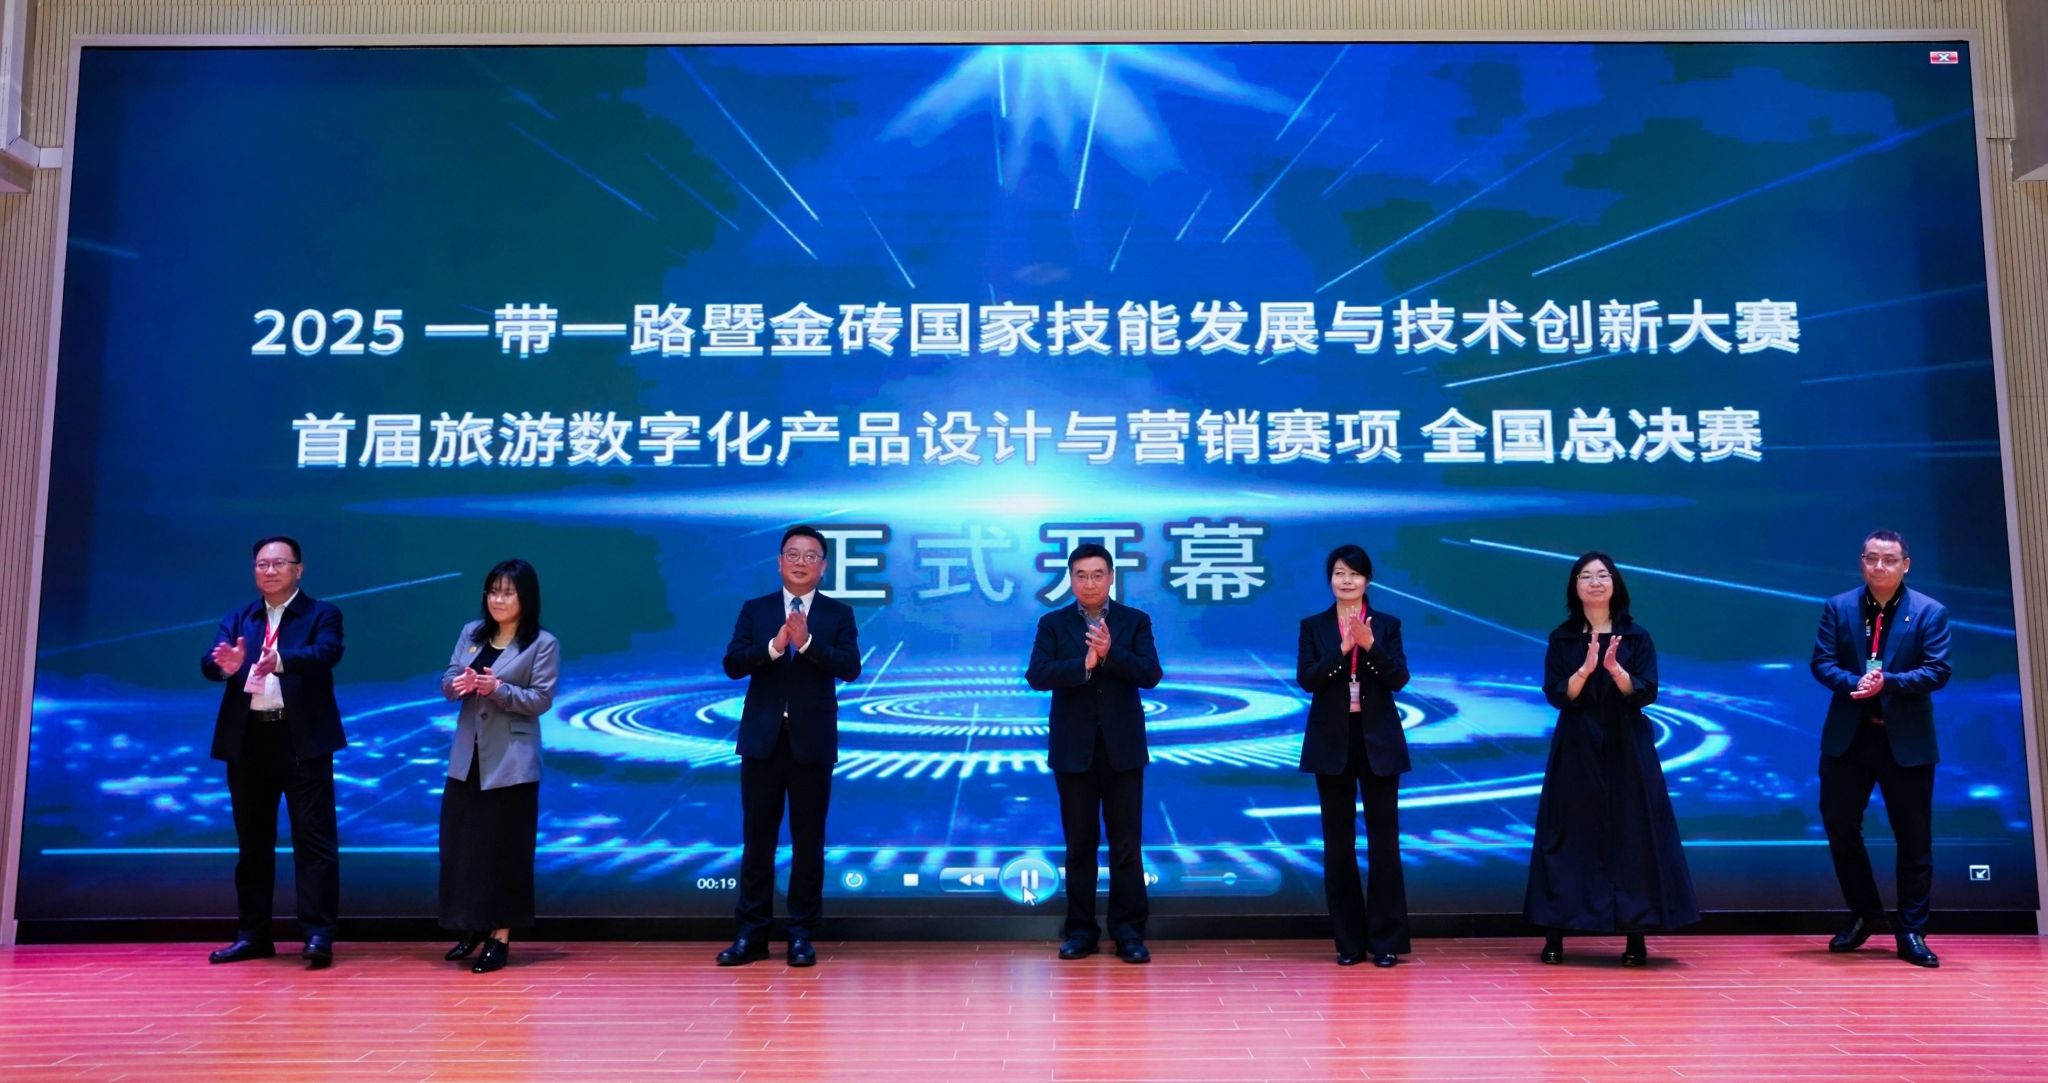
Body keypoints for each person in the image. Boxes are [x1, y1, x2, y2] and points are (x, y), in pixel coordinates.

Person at [1524, 552, 1698, 966]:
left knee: (1633, 834)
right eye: (1585, 576)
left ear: (1615, 584)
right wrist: (1585, 670)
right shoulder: (1562, 637)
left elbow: (1646, 692)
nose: (1595, 582)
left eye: (1603, 575)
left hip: (1627, 743)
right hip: (1577, 743)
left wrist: (1616, 670)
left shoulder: (1636, 637)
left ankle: (1636, 935)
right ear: (1575, 587)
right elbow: (1556, 694)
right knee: (1567, 833)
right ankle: (1555, 933)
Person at [717, 526, 862, 967]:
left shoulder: (838, 614)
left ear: (823, 566)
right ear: (780, 562)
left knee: (808, 841)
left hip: (812, 743)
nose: (801, 562)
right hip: (762, 742)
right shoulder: (756, 610)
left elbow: (850, 668)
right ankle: (751, 933)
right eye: (793, 554)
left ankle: (801, 934)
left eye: (811, 555)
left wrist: (809, 644)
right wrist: (776, 647)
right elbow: (733, 664)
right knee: (757, 841)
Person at [199, 536, 345, 968]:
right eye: (261, 564)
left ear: (299, 569)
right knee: (252, 843)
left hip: (301, 740)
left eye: (279, 563)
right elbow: (211, 661)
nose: (269, 571)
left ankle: (317, 935)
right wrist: (222, 666)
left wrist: (279, 660)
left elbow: (327, 653)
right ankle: (252, 934)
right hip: (248, 741)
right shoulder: (238, 617)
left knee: (313, 841)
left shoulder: (322, 614)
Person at [1812, 529, 1951, 968]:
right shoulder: (1839, 607)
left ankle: (1911, 930)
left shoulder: (1929, 612)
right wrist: (1854, 682)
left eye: (1889, 559)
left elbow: (1937, 670)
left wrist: (1887, 682)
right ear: (1862, 562)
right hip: (1850, 738)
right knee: (1839, 826)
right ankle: (1866, 913)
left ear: (1905, 564)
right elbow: (1822, 663)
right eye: (1871, 558)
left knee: (1914, 838)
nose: (1879, 566)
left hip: (1905, 740)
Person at [1026, 543, 1163, 964]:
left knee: (1126, 846)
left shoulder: (1134, 621)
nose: (1089, 583)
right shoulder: (1053, 624)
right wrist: (1084, 664)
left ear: (1111, 577)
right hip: (1074, 751)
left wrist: (1110, 654)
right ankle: (1080, 931)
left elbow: (1151, 674)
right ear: (1070, 579)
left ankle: (1129, 933)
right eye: (1081, 575)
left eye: (1098, 574)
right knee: (1080, 845)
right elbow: (1037, 675)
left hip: (1123, 750)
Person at [438, 559, 558, 974]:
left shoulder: (542, 643)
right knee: (462, 848)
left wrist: (498, 689)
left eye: (507, 592)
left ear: (526, 598)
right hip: (466, 758)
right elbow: (449, 677)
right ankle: (471, 925)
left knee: (504, 851)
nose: (498, 600)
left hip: (511, 761)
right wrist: (457, 685)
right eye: (493, 591)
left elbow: (541, 699)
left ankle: (499, 937)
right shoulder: (471, 633)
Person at [1295, 544, 1412, 968]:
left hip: (1378, 742)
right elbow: (1307, 679)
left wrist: (1370, 646)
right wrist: (1343, 649)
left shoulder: (1388, 624)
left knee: (1385, 844)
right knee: (1338, 845)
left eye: (1354, 574)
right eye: (1339, 573)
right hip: (1332, 743)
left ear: (1368, 580)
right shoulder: (1314, 626)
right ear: (1330, 579)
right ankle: (1347, 941)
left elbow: (1399, 678)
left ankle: (1385, 941)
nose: (1346, 581)